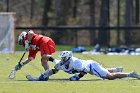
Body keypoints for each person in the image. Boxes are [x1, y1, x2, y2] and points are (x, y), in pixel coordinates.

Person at [26, 51, 140, 81]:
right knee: (104, 72)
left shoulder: (76, 63)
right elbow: (54, 70)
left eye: (64, 58)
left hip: (90, 65)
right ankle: (116, 69)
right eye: (62, 58)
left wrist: (77, 77)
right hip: (88, 65)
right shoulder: (61, 63)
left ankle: (130, 74)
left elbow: (85, 70)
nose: (62, 60)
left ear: (69, 58)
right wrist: (43, 75)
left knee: (109, 77)